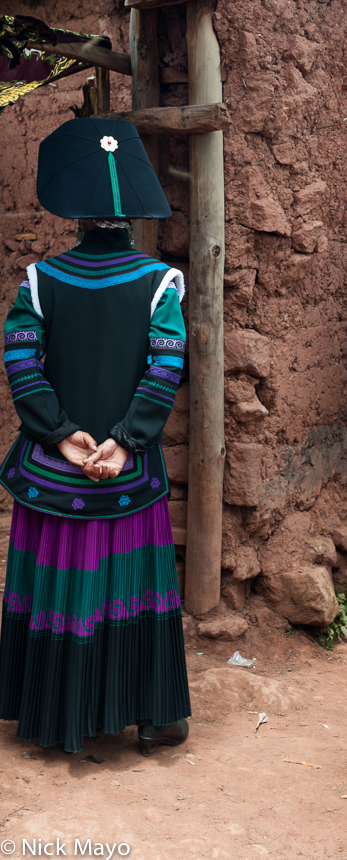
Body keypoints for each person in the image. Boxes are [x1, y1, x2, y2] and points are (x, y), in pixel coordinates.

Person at [0, 117, 191, 756]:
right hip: (125, 473)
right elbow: (167, 367)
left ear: (77, 216)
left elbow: (21, 361)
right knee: (132, 588)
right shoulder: (160, 284)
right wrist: (125, 441)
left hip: (55, 471)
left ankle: (54, 711)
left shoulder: (40, 282)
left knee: (59, 586)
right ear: (132, 217)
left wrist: (59, 436)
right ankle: (154, 717)